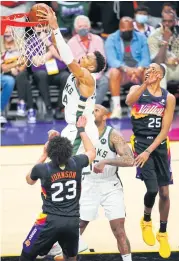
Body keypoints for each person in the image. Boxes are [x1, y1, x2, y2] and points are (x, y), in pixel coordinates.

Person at [19, 116, 96, 261]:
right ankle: (53, 248)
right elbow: (91, 151)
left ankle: (48, 247)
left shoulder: (42, 168)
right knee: (71, 257)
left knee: (26, 254)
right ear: (69, 151)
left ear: (50, 153)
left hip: (49, 220)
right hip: (72, 221)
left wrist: (43, 155)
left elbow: (29, 180)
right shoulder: (76, 162)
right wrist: (81, 130)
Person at [37, 9, 106, 163]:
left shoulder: (87, 77)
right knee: (63, 169)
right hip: (72, 127)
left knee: (67, 170)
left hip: (82, 130)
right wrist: (50, 28)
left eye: (88, 57)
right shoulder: (77, 72)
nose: (83, 56)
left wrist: (56, 27)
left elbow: (68, 59)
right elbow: (60, 48)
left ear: (92, 68)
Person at [126, 63, 176, 258]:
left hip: (160, 145)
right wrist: (143, 84)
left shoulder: (168, 97)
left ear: (162, 75)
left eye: (154, 69)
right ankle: (146, 220)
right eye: (148, 68)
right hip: (139, 144)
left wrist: (150, 150)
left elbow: (165, 130)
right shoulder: (136, 90)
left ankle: (162, 232)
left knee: (164, 192)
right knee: (153, 189)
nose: (150, 71)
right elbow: (130, 101)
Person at [79, 104, 134, 261]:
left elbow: (130, 160)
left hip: (110, 185)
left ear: (105, 116)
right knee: (78, 228)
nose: (92, 111)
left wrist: (106, 161)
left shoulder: (113, 135)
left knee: (119, 230)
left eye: (96, 110)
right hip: (88, 183)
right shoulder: (82, 132)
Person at [105, 16, 150, 119]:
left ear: (133, 28)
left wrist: (138, 70)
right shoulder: (111, 38)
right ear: (120, 28)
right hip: (122, 72)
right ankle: (117, 108)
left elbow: (146, 58)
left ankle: (145, 107)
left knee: (148, 71)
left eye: (129, 30)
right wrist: (127, 69)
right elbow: (112, 60)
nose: (127, 32)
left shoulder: (141, 38)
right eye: (124, 30)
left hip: (138, 70)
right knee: (114, 72)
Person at [68, 15, 109, 105]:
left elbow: (103, 61)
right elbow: (71, 65)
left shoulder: (98, 40)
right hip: (80, 75)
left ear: (89, 27)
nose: (83, 28)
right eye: (80, 26)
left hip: (97, 73)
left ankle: (93, 107)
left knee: (104, 81)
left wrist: (95, 74)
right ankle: (83, 107)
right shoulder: (71, 43)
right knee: (77, 83)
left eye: (85, 26)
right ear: (75, 29)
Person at [148, 11, 179, 89]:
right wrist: (165, 39)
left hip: (178, 68)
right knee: (158, 69)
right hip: (165, 69)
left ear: (175, 21)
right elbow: (157, 62)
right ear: (161, 21)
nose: (167, 24)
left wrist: (177, 60)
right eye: (165, 21)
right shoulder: (154, 36)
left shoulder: (178, 34)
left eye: (170, 21)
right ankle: (161, 100)